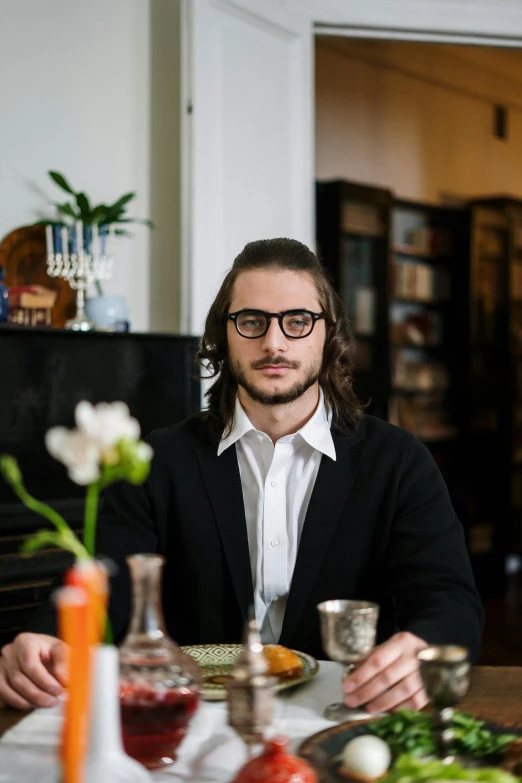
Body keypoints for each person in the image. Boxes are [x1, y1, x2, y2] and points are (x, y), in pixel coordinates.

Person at [0, 238, 483, 713]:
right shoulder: (156, 459)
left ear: (328, 332)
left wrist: (424, 649)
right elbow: (103, 585)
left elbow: (450, 601)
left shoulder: (399, 461)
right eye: (251, 321)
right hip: (191, 721)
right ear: (223, 333)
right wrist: (47, 639)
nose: (274, 343)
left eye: (298, 321)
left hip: (346, 714)